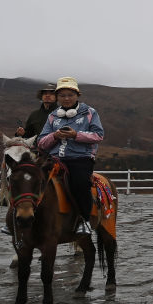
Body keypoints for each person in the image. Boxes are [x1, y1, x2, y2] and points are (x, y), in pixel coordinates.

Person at [36, 77, 104, 236]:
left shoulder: (90, 113)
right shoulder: (53, 116)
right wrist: (55, 136)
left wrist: (76, 135)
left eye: (70, 95)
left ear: (77, 95)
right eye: (62, 95)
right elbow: (41, 142)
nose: (66, 99)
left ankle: (85, 220)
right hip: (54, 159)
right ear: (57, 97)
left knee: (80, 183)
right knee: (29, 177)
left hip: (80, 158)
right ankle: (21, 217)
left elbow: (98, 135)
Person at [0, 83, 58, 233]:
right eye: (45, 93)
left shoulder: (60, 113)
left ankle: (77, 220)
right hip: (37, 155)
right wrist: (21, 133)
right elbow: (28, 137)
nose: (47, 95)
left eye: (51, 93)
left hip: (58, 154)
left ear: (56, 96)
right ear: (41, 96)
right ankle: (11, 220)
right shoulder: (34, 115)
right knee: (21, 183)